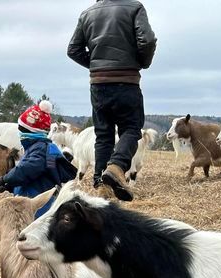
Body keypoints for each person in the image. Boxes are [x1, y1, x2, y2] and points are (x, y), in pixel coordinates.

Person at [67, 0, 157, 202]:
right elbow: (148, 41)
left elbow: (73, 49)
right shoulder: (135, 8)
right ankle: (116, 167)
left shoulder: (87, 13)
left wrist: (97, 64)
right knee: (132, 129)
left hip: (98, 84)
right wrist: (142, 62)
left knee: (104, 135)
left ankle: (101, 184)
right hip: (126, 80)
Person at [0, 100, 77, 217]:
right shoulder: (38, 148)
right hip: (32, 201)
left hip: (39, 207)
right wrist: (7, 185)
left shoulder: (41, 149)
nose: (20, 133)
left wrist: (4, 179)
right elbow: (32, 177)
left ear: (31, 131)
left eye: (22, 130)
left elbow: (28, 169)